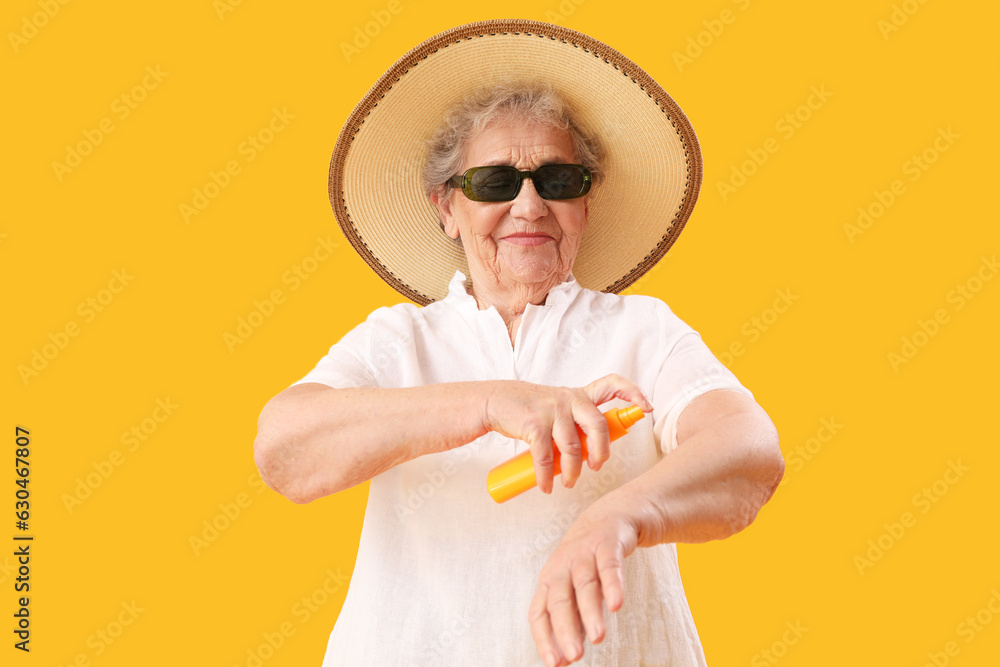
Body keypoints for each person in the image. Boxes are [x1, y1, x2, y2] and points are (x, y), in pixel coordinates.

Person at [254, 19, 784, 667]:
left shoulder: (642, 331)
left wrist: (618, 517)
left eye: (558, 181)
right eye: (496, 183)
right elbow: (284, 450)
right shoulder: (399, 341)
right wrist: (489, 402)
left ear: (584, 204)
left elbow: (750, 451)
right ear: (447, 207)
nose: (530, 206)